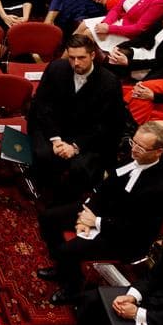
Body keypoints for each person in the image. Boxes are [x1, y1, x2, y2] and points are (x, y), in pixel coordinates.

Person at [37, 122, 163, 304]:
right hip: (103, 213)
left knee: (67, 250)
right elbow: (105, 188)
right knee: (48, 218)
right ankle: (63, 268)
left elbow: (134, 227)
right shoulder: (134, 155)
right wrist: (87, 215)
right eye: (134, 143)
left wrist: (96, 222)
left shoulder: (161, 187)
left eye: (141, 147)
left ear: (158, 152)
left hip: (124, 237)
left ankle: (72, 288)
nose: (134, 149)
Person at [28, 34, 127, 203]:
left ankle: (66, 202)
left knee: (80, 168)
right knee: (43, 154)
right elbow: (42, 106)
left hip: (87, 136)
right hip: (54, 129)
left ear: (93, 56)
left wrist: (75, 146)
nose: (76, 63)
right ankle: (42, 190)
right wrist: (56, 139)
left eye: (81, 58)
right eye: (72, 58)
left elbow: (107, 124)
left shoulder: (109, 82)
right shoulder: (56, 68)